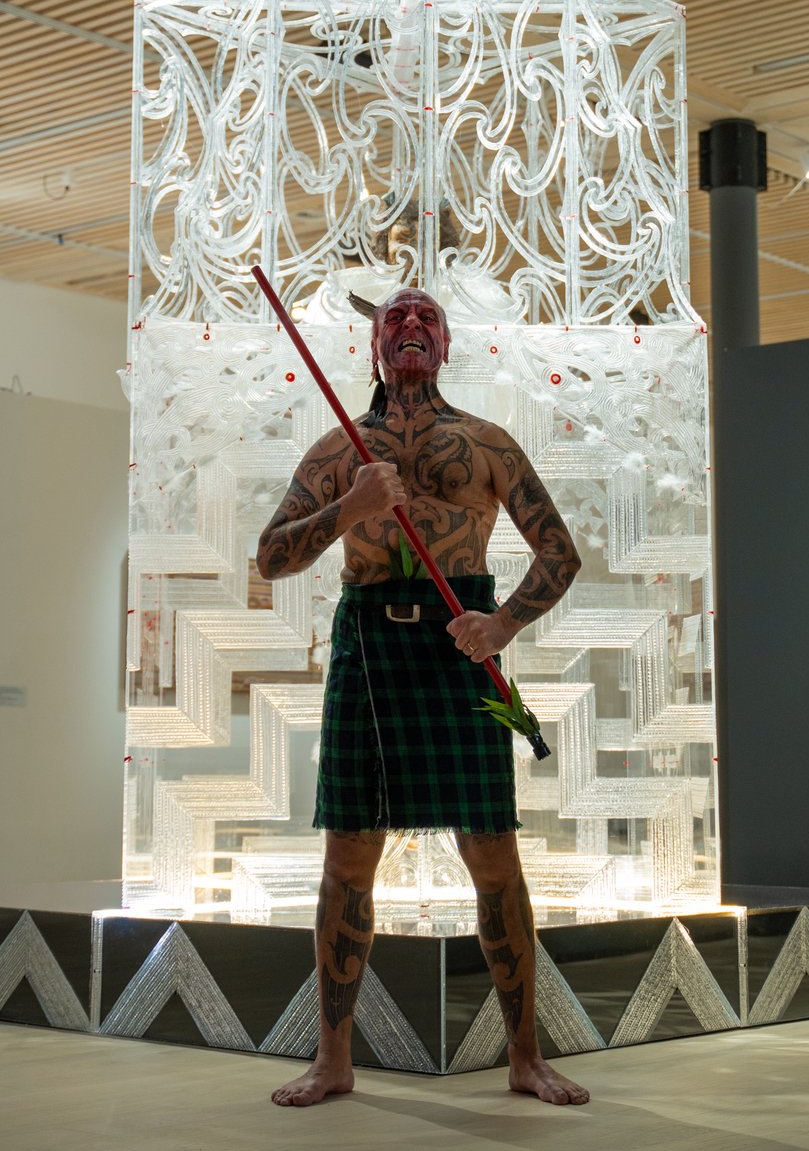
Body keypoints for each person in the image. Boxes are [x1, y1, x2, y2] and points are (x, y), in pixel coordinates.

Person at [257, 288, 588, 1107]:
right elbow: (270, 557)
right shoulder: (341, 448)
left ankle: (524, 1056)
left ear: (447, 344)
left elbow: (559, 550)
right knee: (348, 857)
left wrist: (502, 624)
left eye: (426, 319)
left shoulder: (487, 443)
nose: (410, 327)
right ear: (374, 345)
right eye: (395, 319)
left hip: (456, 641)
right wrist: (351, 506)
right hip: (368, 641)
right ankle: (334, 1058)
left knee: (493, 855)